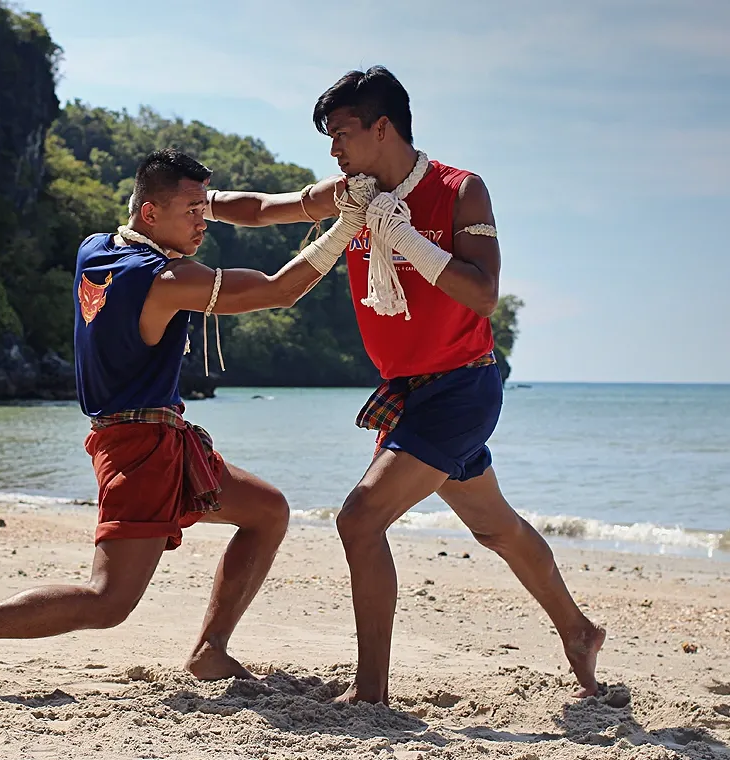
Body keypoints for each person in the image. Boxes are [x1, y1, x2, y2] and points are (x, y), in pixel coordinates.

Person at [204, 66, 606, 704]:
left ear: (382, 127)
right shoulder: (351, 195)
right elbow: (261, 210)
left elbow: (483, 294)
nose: (333, 149)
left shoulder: (460, 190)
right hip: (406, 394)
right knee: (495, 527)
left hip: (463, 388)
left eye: (341, 133)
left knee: (359, 520)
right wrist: (194, 199)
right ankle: (579, 631)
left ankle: (371, 692)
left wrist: (407, 239)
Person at [0, 148, 363, 683]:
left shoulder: (95, 249)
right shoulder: (166, 281)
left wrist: (331, 195)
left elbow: (245, 207)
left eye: (203, 210)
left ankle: (209, 650)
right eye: (192, 212)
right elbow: (279, 290)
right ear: (150, 213)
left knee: (267, 511)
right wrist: (345, 226)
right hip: (140, 450)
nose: (202, 222)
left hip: (162, 437)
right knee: (107, 602)